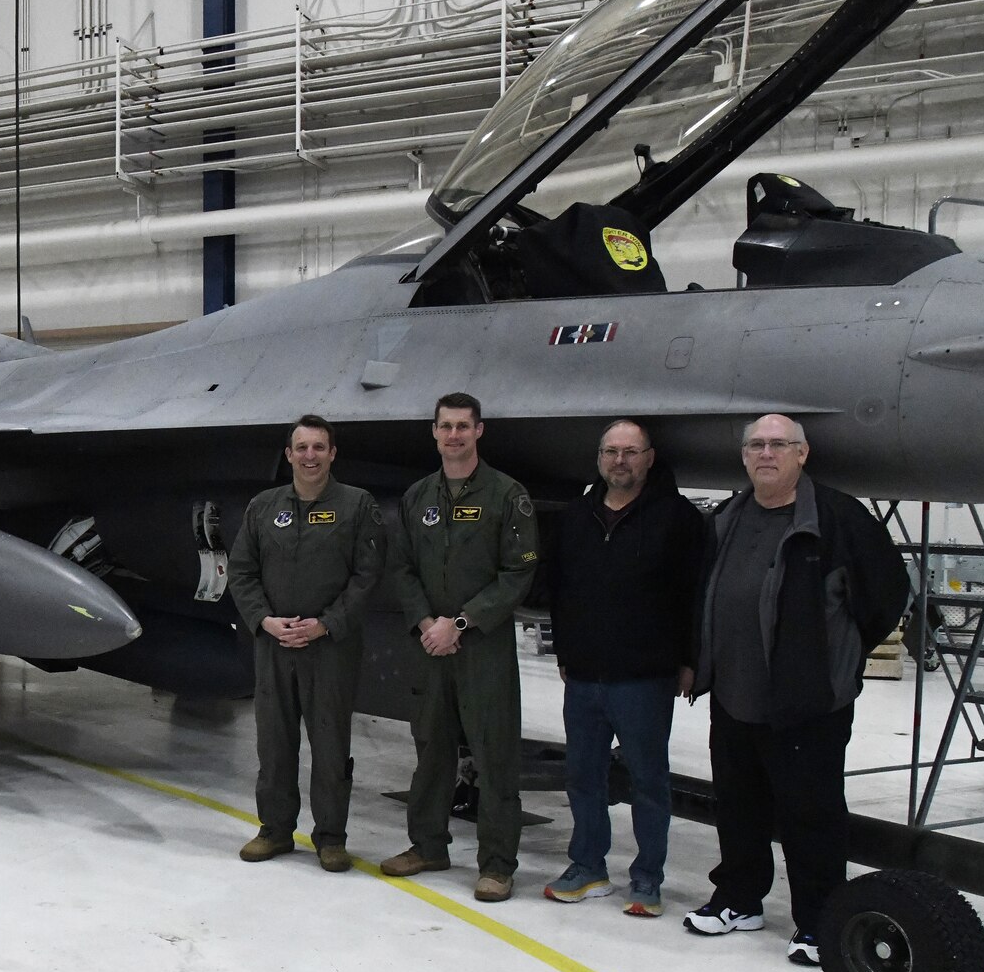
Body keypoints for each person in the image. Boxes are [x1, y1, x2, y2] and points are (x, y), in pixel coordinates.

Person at [686, 414, 908, 966]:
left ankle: (817, 921)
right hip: (735, 696)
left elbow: (887, 593)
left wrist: (840, 656)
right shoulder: (728, 517)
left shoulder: (837, 517)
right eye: (756, 445)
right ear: (744, 457)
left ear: (802, 454)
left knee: (811, 813)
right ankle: (740, 899)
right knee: (737, 807)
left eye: (778, 444)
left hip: (808, 704)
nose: (766, 453)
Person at [542, 419, 706, 917]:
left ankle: (647, 878)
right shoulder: (577, 517)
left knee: (648, 780)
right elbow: (560, 591)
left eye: (630, 452)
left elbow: (695, 597)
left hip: (645, 677)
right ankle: (588, 866)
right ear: (599, 459)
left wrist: (690, 662)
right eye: (611, 452)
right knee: (583, 775)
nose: (620, 461)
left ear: (649, 458)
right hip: (585, 675)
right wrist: (565, 652)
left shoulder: (678, 520)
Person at [382, 393, 540, 902]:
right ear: (434, 432)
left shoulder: (506, 495)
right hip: (431, 645)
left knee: (494, 756)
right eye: (445, 426)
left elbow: (518, 572)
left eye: (463, 427)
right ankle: (428, 846)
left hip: (483, 649)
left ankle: (496, 864)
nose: (454, 435)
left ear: (479, 431)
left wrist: (462, 623)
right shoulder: (417, 497)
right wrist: (429, 623)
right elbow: (402, 568)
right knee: (431, 749)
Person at [225, 415, 387, 873]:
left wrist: (326, 624)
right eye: (302, 448)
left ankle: (330, 837)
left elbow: (367, 576)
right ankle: (274, 830)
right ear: (289, 455)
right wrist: (263, 621)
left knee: (331, 745)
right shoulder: (263, 506)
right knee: (274, 744)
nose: (310, 456)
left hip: (330, 648)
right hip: (274, 645)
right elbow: (241, 571)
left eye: (319, 447)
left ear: (332, 453)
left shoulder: (357, 506)